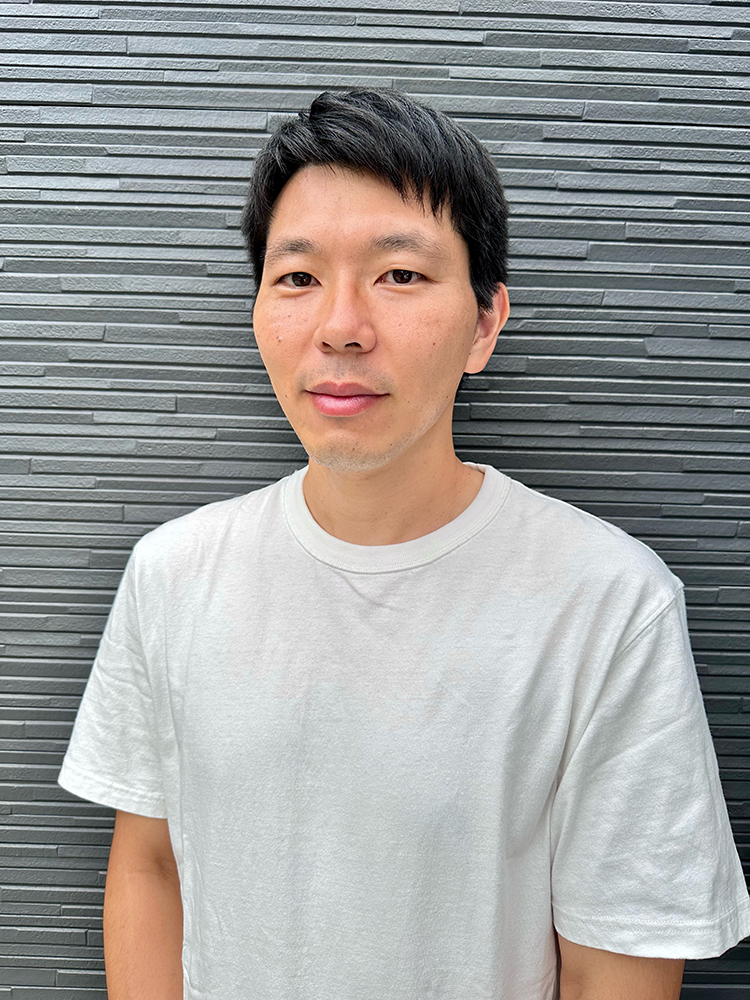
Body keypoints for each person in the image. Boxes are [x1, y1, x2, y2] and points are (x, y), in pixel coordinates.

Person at [57, 88, 750, 1000]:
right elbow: (152, 863)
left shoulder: (608, 603)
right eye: (298, 278)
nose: (341, 327)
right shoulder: (172, 574)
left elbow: (613, 965)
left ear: (485, 322)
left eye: (400, 275)